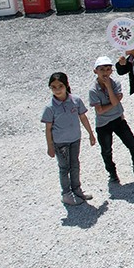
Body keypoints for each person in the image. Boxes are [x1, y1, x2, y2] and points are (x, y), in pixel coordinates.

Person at [87, 55, 134, 184]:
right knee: (106, 150)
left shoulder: (114, 83)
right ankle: (112, 173)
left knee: (133, 144)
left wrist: (109, 89)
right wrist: (114, 102)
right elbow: (100, 110)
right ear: (95, 71)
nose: (105, 72)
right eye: (102, 69)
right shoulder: (93, 90)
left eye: (108, 69)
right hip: (103, 124)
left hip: (118, 120)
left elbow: (111, 103)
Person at [42, 72, 96, 205]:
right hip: (60, 143)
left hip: (75, 139)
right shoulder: (50, 108)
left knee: (75, 165)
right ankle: (66, 193)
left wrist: (90, 133)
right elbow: (48, 129)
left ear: (66, 85)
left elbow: (83, 117)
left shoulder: (75, 101)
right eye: (53, 87)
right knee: (64, 167)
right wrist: (50, 146)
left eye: (60, 86)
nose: (57, 89)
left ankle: (77, 190)